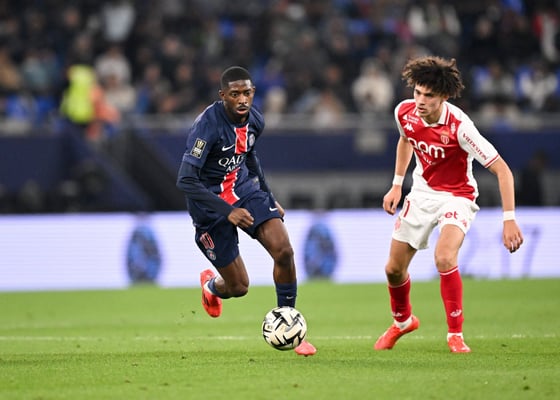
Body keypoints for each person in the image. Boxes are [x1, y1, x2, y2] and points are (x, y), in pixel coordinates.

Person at [374, 56, 524, 353]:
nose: (420, 100)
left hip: (457, 196)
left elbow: (503, 170)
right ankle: (402, 322)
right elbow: (406, 140)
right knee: (393, 269)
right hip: (421, 193)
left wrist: (509, 219)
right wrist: (397, 184)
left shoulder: (460, 127)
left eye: (428, 95)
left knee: (444, 257)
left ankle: (455, 334)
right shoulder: (404, 112)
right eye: (417, 92)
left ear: (443, 96)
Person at [176, 66, 316, 356]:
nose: (242, 99)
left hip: (244, 191)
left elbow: (250, 156)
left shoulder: (255, 120)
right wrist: (227, 211)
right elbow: (186, 180)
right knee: (239, 287)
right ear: (223, 95)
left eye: (247, 93)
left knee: (284, 251)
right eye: (235, 94)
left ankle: (289, 322)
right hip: (210, 207)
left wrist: (269, 196)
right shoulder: (207, 126)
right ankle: (211, 287)